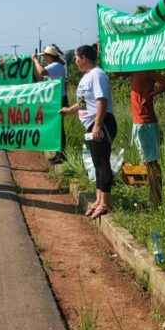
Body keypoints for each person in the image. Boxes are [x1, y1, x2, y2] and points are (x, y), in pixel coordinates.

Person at [60, 44, 117, 218]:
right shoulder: (86, 77)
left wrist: (97, 126)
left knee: (103, 162)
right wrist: (69, 110)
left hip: (102, 123)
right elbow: (83, 102)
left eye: (76, 58)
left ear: (83, 58)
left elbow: (101, 101)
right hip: (92, 124)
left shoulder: (97, 75)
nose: (75, 61)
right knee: (97, 163)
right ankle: (98, 199)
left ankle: (104, 203)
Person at [130, 70, 165, 207]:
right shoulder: (134, 70)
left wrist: (150, 95)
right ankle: (153, 199)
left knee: (152, 162)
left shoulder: (148, 70)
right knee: (147, 162)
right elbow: (116, 73)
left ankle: (156, 201)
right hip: (139, 122)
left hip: (146, 122)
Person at [33, 44, 68, 165]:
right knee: (57, 127)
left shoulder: (56, 66)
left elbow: (42, 72)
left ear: (50, 56)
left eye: (45, 56)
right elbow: (41, 77)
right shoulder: (55, 66)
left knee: (59, 127)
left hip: (59, 99)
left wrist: (35, 60)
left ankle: (62, 154)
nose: (44, 58)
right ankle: (59, 153)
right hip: (56, 99)